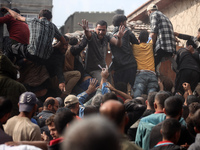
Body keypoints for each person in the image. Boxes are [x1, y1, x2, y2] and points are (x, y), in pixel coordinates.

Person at [1, 7, 68, 92]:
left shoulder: (33, 21)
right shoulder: (53, 26)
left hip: (30, 53)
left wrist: (7, 9)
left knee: (10, 47)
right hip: (44, 59)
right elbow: (63, 41)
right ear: (50, 19)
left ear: (39, 16)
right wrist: (53, 48)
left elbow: (17, 16)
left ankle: (7, 70)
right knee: (57, 59)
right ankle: (61, 81)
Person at [109, 14, 139, 87]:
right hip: (130, 65)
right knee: (131, 89)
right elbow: (136, 42)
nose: (126, 24)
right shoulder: (126, 31)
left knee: (119, 90)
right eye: (125, 22)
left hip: (118, 67)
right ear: (121, 23)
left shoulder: (110, 36)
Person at [146, 4, 176, 68]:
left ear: (149, 11)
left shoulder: (153, 15)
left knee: (151, 65)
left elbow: (153, 33)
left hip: (162, 46)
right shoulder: (165, 16)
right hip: (171, 48)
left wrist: (148, 43)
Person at [132, 30, 158, 98]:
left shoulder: (134, 47)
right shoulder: (150, 46)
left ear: (139, 39)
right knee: (152, 96)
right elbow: (152, 37)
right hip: (152, 74)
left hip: (140, 74)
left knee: (138, 94)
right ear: (147, 39)